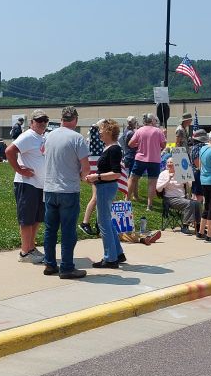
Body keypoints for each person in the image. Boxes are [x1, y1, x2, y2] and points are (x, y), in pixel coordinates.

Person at [42, 105, 90, 279]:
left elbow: (44, 154)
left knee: (50, 230)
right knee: (68, 231)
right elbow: (85, 168)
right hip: (68, 190)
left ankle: (49, 263)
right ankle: (67, 267)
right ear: (75, 120)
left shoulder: (48, 136)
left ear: (61, 119)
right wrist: (84, 177)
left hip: (49, 188)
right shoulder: (77, 138)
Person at [5, 109, 49, 263]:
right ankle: (24, 252)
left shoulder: (42, 137)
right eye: (39, 120)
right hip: (27, 184)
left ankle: (31, 247)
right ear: (31, 122)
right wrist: (19, 169)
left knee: (36, 218)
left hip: (40, 185)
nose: (42, 123)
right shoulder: (28, 136)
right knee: (27, 219)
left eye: (45, 120)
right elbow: (9, 151)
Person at [85, 119, 123, 268]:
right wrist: (96, 177)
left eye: (101, 129)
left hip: (106, 188)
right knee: (107, 221)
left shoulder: (114, 149)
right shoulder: (109, 148)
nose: (99, 132)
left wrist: (97, 177)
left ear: (108, 131)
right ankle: (118, 253)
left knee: (103, 223)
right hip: (106, 187)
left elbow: (116, 173)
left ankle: (110, 258)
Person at [127, 113, 166, 211]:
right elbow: (163, 145)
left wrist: (138, 144)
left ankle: (126, 200)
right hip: (154, 159)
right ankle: (149, 205)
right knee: (152, 182)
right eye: (155, 120)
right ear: (152, 121)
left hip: (140, 158)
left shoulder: (139, 130)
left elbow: (130, 144)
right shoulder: (158, 131)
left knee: (133, 179)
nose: (156, 122)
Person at [156, 156, 201, 234]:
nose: (169, 164)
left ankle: (198, 226)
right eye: (168, 162)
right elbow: (158, 189)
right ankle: (185, 225)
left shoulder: (181, 173)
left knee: (197, 204)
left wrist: (187, 180)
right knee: (189, 204)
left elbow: (190, 185)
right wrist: (168, 180)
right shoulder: (163, 174)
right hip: (170, 199)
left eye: (171, 162)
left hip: (182, 198)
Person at [119, 116, 139, 185]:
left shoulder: (126, 131)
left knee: (128, 176)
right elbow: (131, 144)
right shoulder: (131, 133)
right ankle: (129, 190)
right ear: (134, 123)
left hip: (127, 155)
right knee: (132, 177)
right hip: (131, 156)